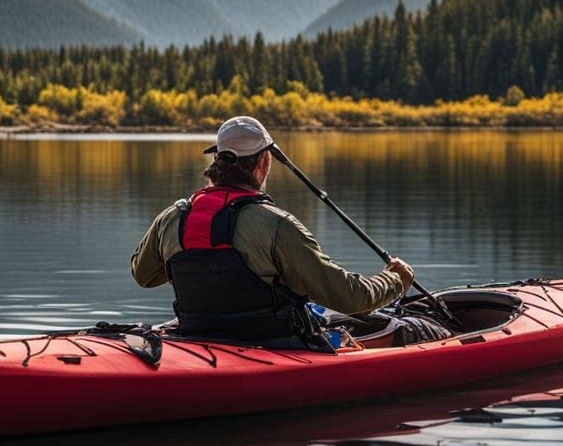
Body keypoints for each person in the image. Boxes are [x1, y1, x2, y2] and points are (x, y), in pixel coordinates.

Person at [130, 115, 416, 349]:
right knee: (415, 329)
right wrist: (395, 279)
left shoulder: (172, 217)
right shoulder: (278, 225)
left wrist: (201, 263)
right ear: (264, 161)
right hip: (273, 345)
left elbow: (144, 276)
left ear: (216, 161)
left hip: (199, 337)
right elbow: (352, 299)